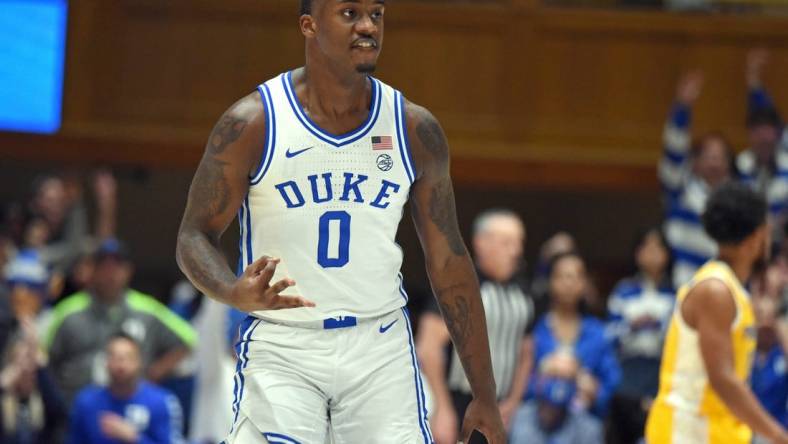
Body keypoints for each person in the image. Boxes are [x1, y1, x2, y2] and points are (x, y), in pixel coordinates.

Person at [175, 1, 505, 442]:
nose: (367, 26)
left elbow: (449, 262)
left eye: (377, 14)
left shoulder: (413, 129)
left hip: (378, 343)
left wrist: (484, 394)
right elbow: (193, 235)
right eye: (349, 13)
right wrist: (232, 291)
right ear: (309, 26)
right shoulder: (252, 123)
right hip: (284, 341)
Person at [646, 182, 788, 444]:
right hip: (686, 431)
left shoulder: (733, 290)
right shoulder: (715, 290)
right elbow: (722, 378)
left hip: (715, 431)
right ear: (756, 236)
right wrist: (777, 435)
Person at [418, 209, 537, 443]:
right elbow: (428, 348)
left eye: (518, 242)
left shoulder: (523, 293)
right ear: (481, 243)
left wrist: (513, 402)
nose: (516, 251)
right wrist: (442, 407)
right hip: (459, 403)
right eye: (507, 243)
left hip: (502, 408)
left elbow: (526, 353)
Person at [47, 239, 196, 406]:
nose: (111, 274)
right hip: (74, 410)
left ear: (128, 271)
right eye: (104, 267)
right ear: (92, 270)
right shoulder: (68, 312)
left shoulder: (147, 310)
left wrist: (153, 373)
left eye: (117, 267)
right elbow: (43, 357)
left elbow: (190, 339)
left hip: (132, 411)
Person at [659, 70, 734, 288]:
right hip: (683, 287)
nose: (714, 162)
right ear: (696, 162)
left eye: (720, 157)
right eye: (709, 156)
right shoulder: (680, 190)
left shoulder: (737, 201)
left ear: (729, 163)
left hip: (724, 289)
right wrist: (682, 108)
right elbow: (673, 154)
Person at [529, 252, 620, 418]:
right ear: (550, 282)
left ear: (584, 284)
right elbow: (521, 383)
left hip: (585, 420)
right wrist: (547, 374)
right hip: (539, 418)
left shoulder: (598, 332)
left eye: (575, 277)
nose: (568, 283)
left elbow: (612, 383)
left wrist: (592, 389)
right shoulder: (536, 329)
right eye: (561, 276)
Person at [606, 228, 674, 444]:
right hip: (627, 375)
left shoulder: (675, 293)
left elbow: (678, 336)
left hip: (660, 374)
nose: (652, 253)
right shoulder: (623, 290)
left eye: (658, 247)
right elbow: (609, 334)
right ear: (637, 253)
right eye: (647, 247)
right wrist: (632, 326)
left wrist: (659, 325)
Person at [68, 333, 184, 444]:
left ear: (139, 362)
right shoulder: (87, 402)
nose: (121, 364)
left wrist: (134, 438)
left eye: (127, 357)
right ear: (106, 362)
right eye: (115, 357)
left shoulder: (162, 402)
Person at [509, 354, 603, 444]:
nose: (560, 385)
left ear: (575, 386)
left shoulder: (588, 430)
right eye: (554, 376)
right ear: (539, 380)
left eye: (567, 379)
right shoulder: (515, 419)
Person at [740, 49, 788, 224]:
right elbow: (765, 114)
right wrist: (753, 79)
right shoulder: (740, 165)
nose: (764, 136)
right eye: (758, 131)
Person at [0, 324, 67, 444]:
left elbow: (60, 413)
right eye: (20, 362)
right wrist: (4, 383)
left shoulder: (44, 397)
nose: (26, 369)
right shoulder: (4, 397)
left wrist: (40, 367)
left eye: (31, 363)